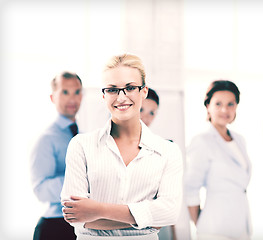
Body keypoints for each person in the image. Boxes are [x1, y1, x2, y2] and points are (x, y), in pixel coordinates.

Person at [60, 53, 183, 240]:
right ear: (103, 95)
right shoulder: (81, 145)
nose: (121, 97)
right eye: (112, 90)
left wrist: (97, 210)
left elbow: (169, 213)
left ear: (144, 91)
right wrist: (147, 217)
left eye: (130, 87)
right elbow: (75, 216)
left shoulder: (167, 151)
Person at [185, 80, 252, 240]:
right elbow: (190, 188)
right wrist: (200, 224)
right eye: (218, 104)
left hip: (242, 226)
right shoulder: (202, 141)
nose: (225, 109)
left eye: (230, 104)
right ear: (208, 106)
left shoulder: (239, 140)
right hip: (215, 228)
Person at [30, 71, 83, 240]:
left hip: (80, 226)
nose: (72, 99)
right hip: (55, 227)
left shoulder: (83, 136)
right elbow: (40, 190)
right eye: (65, 92)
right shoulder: (46, 139)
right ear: (53, 97)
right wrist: (79, 181)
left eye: (77, 92)